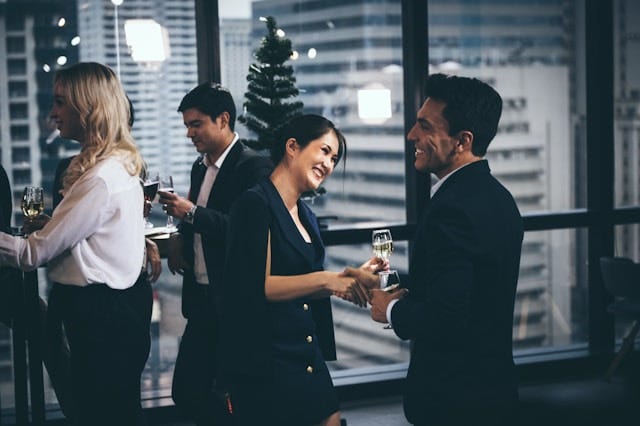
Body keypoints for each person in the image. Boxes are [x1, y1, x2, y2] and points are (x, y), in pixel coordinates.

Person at [346, 73, 524, 426]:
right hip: (494, 389)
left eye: (425, 126)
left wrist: (391, 308)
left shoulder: (451, 210)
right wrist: (399, 286)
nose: (412, 134)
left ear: (462, 140)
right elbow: (470, 290)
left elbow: (447, 319)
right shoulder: (500, 198)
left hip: (454, 400)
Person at [0, 62, 152, 426]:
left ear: (89, 108)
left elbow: (33, 253)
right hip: (116, 308)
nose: (52, 113)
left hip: (101, 315)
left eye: (60, 102)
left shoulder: (99, 179)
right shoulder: (117, 166)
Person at [218, 114, 379, 426]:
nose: (329, 164)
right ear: (292, 146)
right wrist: (329, 280)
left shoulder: (305, 214)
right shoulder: (254, 204)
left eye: (334, 158)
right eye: (324, 151)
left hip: (305, 351)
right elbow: (258, 287)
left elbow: (308, 280)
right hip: (267, 358)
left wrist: (349, 278)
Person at [158, 82, 272, 425]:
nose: (190, 134)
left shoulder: (253, 167)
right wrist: (180, 234)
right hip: (203, 299)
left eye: (196, 124)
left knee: (234, 392)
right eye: (187, 126)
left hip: (234, 302)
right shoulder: (199, 166)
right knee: (187, 390)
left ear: (223, 120)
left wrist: (189, 213)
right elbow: (197, 217)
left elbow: (240, 229)